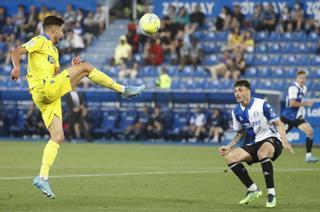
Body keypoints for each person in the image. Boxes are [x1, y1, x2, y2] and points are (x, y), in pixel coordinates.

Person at [10, 15, 145, 199]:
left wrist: (73, 70)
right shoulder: (40, 40)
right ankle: (123, 89)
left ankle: (42, 177)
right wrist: (16, 67)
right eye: (62, 29)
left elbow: (58, 75)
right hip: (43, 88)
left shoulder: (54, 52)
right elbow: (17, 51)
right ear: (53, 29)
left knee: (58, 137)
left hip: (48, 94)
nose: (64, 32)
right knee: (87, 67)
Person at [218, 80, 294, 208]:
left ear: (249, 91)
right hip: (254, 143)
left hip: (272, 140)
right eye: (235, 91)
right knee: (230, 157)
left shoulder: (262, 104)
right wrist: (229, 146)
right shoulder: (236, 111)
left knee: (262, 152)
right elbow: (240, 133)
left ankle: (271, 194)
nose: (237, 93)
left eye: (240, 90)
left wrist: (285, 140)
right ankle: (253, 189)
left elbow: (278, 123)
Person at [281, 70, 318, 163]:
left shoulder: (304, 88)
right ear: (297, 78)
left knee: (310, 132)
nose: (302, 80)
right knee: (278, 138)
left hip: (297, 117)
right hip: (287, 117)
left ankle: (308, 156)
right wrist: (306, 104)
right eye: (300, 78)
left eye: (304, 78)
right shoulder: (293, 88)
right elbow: (292, 103)